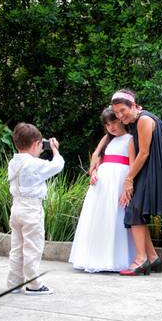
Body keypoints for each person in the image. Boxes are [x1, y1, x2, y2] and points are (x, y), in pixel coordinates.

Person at [91, 89, 162, 276]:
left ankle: (141, 260)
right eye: (116, 113)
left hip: (158, 168)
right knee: (136, 210)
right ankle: (152, 258)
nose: (119, 116)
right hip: (151, 167)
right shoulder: (133, 120)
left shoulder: (143, 120)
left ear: (133, 106)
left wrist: (128, 180)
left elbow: (144, 153)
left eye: (122, 111)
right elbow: (110, 135)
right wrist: (96, 152)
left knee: (134, 209)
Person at [69, 108, 136, 272]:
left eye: (113, 122)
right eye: (107, 124)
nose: (111, 127)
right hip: (102, 184)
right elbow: (96, 158)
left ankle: (115, 258)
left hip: (118, 182)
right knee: (99, 217)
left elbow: (132, 164)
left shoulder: (130, 139)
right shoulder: (107, 140)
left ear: (121, 120)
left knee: (116, 217)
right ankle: (95, 258)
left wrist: (129, 185)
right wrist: (93, 173)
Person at [7, 123, 64, 295]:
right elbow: (58, 165)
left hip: (16, 207)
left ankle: (13, 283)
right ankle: (34, 284)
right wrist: (55, 150)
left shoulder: (13, 162)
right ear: (35, 143)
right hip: (31, 209)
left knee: (17, 247)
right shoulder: (34, 164)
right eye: (41, 145)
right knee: (33, 247)